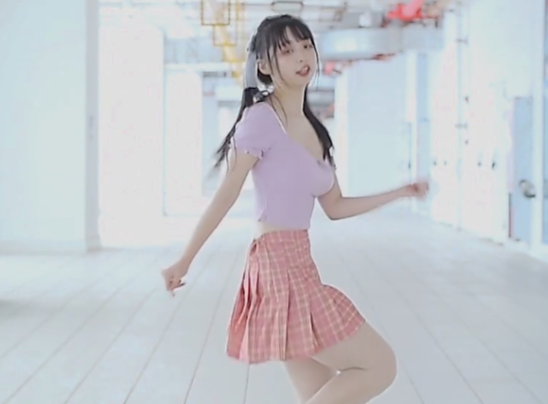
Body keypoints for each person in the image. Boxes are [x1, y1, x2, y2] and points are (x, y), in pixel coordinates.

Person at [161, 14, 429, 404]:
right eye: (287, 51)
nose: (302, 57)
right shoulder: (261, 119)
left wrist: (400, 192)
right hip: (276, 266)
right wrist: (184, 260)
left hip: (300, 262)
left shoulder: (316, 130)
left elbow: (335, 206)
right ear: (265, 66)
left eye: (306, 46)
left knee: (319, 394)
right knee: (380, 365)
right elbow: (226, 194)